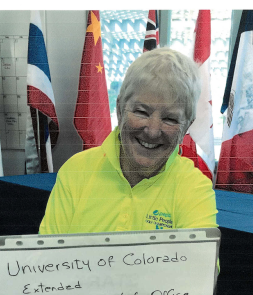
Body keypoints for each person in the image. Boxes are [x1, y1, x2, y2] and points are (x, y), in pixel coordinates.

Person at [39, 47, 217, 235]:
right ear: (120, 109)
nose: (153, 130)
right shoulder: (77, 170)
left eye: (170, 119)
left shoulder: (194, 188)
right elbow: (48, 259)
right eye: (141, 112)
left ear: (187, 127)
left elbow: (201, 264)